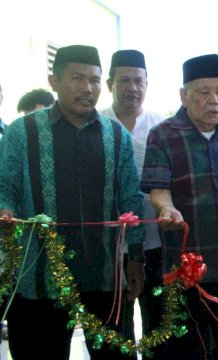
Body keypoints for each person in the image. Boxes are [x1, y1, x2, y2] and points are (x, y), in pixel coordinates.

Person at [0, 44, 145, 359]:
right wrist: (5, 209)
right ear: (54, 82)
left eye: (94, 80)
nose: (87, 88)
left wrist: (135, 257)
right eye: (77, 78)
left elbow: (131, 199)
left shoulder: (116, 135)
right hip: (38, 280)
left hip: (104, 277)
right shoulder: (21, 133)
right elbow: (4, 187)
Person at [141, 54, 218, 359]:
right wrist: (166, 209)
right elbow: (158, 191)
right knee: (189, 348)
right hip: (185, 266)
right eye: (204, 92)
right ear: (184, 96)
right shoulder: (163, 135)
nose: (215, 100)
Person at [100, 49, 165, 359]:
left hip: (155, 244)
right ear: (110, 83)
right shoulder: (96, 125)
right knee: (115, 329)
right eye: (124, 80)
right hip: (109, 248)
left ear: (146, 84)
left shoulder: (162, 127)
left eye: (138, 81)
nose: (132, 88)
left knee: (159, 325)